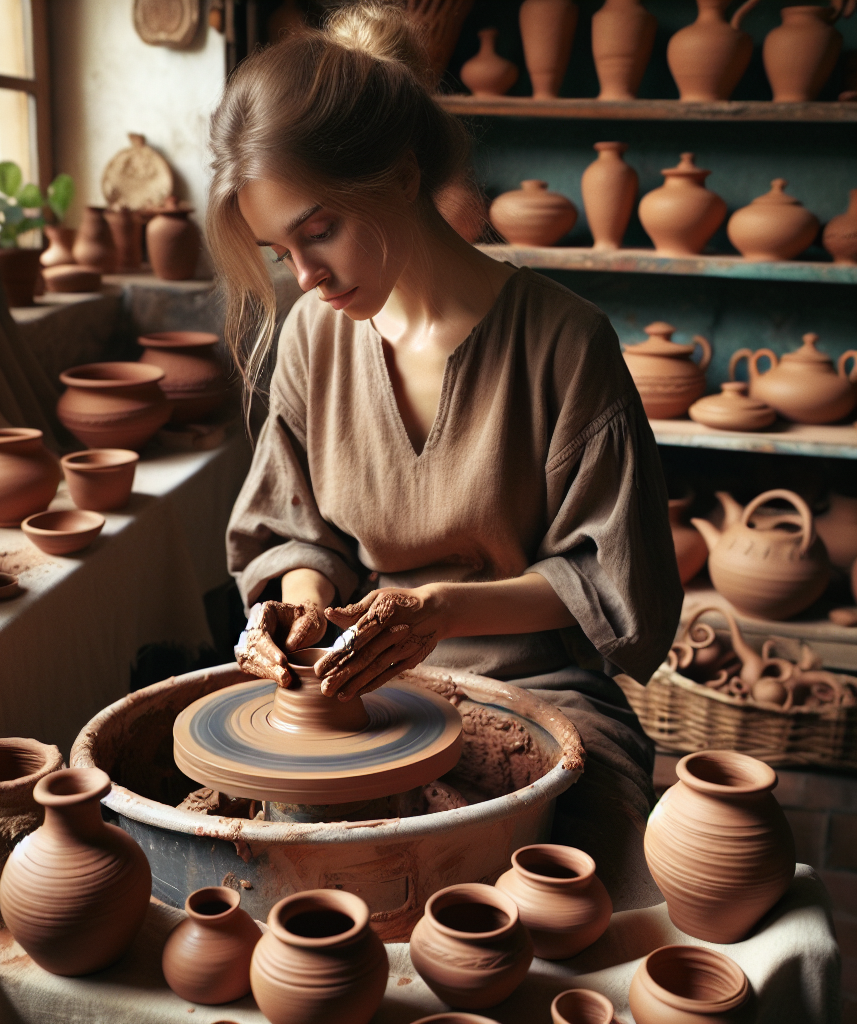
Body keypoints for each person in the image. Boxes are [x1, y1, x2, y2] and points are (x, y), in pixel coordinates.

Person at [206, 2, 682, 908]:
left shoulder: (565, 341)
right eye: (278, 249)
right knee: (286, 883)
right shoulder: (314, 334)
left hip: (542, 693)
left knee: (542, 905)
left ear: (401, 176)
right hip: (361, 691)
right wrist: (303, 615)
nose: (303, 276)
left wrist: (440, 609)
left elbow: (613, 582)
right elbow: (291, 532)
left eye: (319, 232)